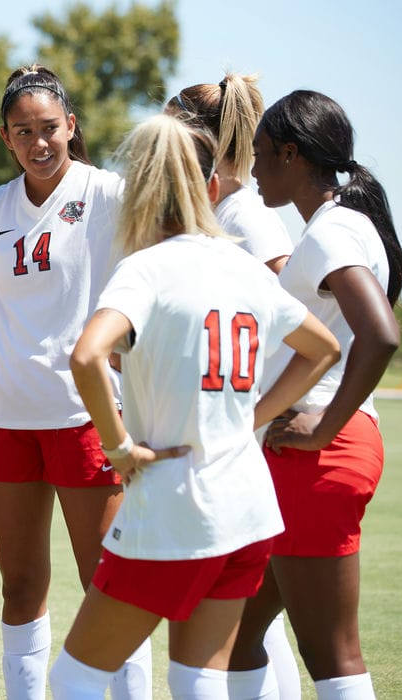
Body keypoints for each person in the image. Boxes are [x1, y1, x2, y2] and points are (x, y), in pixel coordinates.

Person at [48, 113, 340, 700]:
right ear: (209, 186)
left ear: (140, 190)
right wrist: (251, 418)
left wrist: (119, 447)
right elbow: (323, 348)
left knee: (75, 676)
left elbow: (85, 357)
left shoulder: (146, 270)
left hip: (175, 506)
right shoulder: (241, 266)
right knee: (196, 677)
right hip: (249, 505)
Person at [0, 65, 150, 700]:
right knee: (19, 584)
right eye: (24, 132)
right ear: (6, 139)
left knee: (108, 582)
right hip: (8, 416)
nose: (39, 142)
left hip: (87, 416)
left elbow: (165, 256)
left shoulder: (108, 193)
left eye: (50, 128)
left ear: (71, 127)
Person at [228, 90, 402, 700]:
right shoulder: (339, 227)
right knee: (234, 633)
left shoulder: (332, 232)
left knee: (330, 653)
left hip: (319, 454)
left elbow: (380, 335)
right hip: (309, 452)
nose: (252, 171)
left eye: (258, 155)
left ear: (290, 153)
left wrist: (325, 427)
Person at [166, 72, 300, 699]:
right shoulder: (215, 208)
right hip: (232, 428)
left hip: (253, 429)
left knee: (244, 606)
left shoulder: (245, 214)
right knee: (242, 609)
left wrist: (262, 404)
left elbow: (297, 308)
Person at [166, 73, 293, 274]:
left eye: (167, 137)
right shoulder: (215, 213)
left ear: (198, 142)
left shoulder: (246, 218)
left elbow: (293, 297)